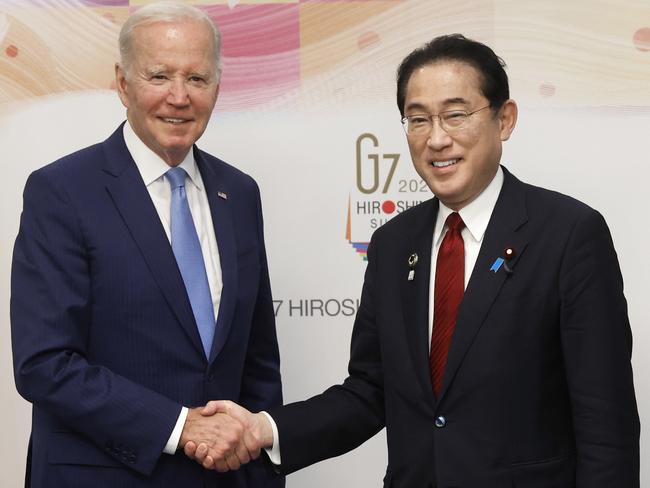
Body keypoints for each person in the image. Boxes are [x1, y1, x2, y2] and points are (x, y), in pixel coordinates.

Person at [187, 34, 640, 487]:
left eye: (456, 115)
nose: (437, 139)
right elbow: (370, 390)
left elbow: (606, 425)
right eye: (418, 119)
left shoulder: (569, 234)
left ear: (505, 119)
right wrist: (265, 429)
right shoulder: (392, 244)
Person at [10, 2, 283, 487]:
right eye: (159, 76)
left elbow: (258, 361)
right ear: (122, 83)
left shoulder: (240, 194)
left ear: (216, 87)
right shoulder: (63, 191)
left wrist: (260, 469)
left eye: (197, 79)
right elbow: (44, 363)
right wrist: (180, 427)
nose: (179, 97)